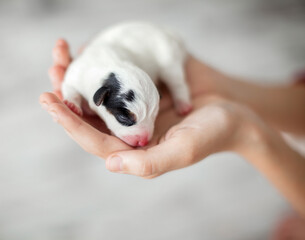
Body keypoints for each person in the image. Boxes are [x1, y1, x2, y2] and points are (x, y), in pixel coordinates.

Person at [40, 39, 305, 239]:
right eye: (128, 118)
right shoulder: (95, 78)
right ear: (100, 97)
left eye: (152, 115)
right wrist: (220, 88)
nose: (145, 135)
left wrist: (248, 134)